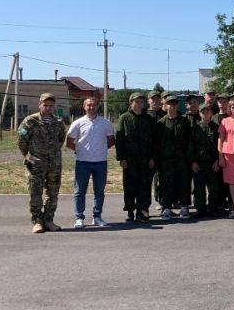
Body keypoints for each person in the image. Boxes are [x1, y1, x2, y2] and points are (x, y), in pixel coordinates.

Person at [17, 92, 68, 234]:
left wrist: (52, 153)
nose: (48, 108)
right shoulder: (30, 121)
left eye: (51, 106)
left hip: (54, 164)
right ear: (39, 105)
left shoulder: (58, 122)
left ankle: (49, 220)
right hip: (36, 164)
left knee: (53, 193)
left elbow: (61, 139)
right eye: (45, 105)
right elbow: (21, 141)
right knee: (35, 193)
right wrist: (28, 156)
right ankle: (37, 221)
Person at [65, 95, 115, 228]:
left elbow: (110, 141)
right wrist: (78, 150)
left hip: (100, 162)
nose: (91, 107)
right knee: (80, 191)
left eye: (93, 105)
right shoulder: (78, 123)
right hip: (82, 162)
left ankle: (97, 217)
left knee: (99, 191)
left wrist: (100, 150)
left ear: (97, 106)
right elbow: (69, 141)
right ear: (84, 107)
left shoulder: (106, 123)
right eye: (88, 105)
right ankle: (79, 218)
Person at [115, 92, 156, 222]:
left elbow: (153, 140)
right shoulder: (124, 118)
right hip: (129, 160)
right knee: (129, 186)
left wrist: (152, 157)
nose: (139, 104)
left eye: (141, 102)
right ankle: (130, 211)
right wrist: (121, 158)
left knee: (144, 186)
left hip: (145, 159)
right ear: (130, 103)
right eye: (136, 102)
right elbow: (119, 139)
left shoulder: (148, 118)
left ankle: (142, 210)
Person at [155, 94, 194, 219]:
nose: (172, 106)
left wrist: (189, 158)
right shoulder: (161, 123)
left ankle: (184, 207)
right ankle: (166, 208)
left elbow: (189, 140)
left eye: (174, 104)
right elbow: (157, 143)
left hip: (182, 159)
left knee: (183, 183)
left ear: (177, 105)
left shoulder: (184, 121)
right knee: (166, 184)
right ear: (165, 106)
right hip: (166, 160)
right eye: (169, 104)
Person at [191, 103, 221, 217]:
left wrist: (218, 160)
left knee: (213, 187)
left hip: (212, 162)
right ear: (199, 113)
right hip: (199, 163)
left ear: (211, 113)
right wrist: (193, 161)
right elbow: (191, 146)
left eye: (207, 111)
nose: (205, 114)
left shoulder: (216, 127)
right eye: (203, 112)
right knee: (199, 188)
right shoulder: (195, 128)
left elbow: (221, 145)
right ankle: (200, 209)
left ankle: (213, 208)